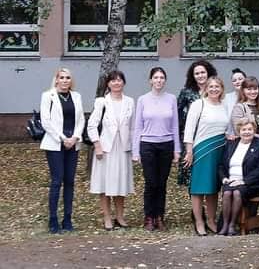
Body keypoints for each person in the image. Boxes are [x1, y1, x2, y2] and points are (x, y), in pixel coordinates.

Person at [132, 67, 181, 231]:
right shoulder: (142, 100)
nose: (159, 80)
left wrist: (177, 149)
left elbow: (175, 125)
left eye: (161, 77)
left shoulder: (171, 99)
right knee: (151, 182)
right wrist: (135, 151)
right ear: (150, 81)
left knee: (162, 183)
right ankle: (149, 216)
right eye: (156, 77)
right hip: (148, 144)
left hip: (166, 144)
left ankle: (159, 216)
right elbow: (138, 126)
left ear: (164, 80)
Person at [88, 70, 135, 231]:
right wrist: (97, 145)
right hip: (106, 148)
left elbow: (133, 127)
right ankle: (107, 217)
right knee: (105, 184)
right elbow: (92, 125)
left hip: (123, 148)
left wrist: (134, 148)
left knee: (121, 183)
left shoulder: (130, 102)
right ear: (108, 83)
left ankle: (120, 216)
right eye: (113, 80)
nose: (116, 83)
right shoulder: (102, 102)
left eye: (119, 80)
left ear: (124, 83)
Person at [183, 76, 229, 236]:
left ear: (222, 89)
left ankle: (211, 220)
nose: (214, 89)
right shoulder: (199, 104)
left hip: (220, 149)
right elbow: (189, 129)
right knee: (198, 188)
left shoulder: (224, 105)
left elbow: (226, 127)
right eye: (211, 87)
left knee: (213, 188)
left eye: (217, 86)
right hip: (202, 149)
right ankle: (199, 222)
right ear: (206, 89)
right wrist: (189, 151)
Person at [40, 67, 85, 234]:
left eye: (68, 78)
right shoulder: (48, 96)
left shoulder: (76, 96)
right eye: (62, 77)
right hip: (55, 143)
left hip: (73, 143)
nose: (65, 80)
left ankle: (67, 219)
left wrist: (75, 137)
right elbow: (46, 121)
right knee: (57, 181)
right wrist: (62, 138)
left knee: (70, 181)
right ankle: (53, 220)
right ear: (56, 80)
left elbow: (81, 120)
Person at [217, 118, 259, 235]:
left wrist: (244, 181)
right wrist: (224, 178)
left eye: (250, 129)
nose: (247, 132)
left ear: (254, 130)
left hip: (252, 183)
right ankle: (225, 225)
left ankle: (232, 225)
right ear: (239, 131)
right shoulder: (231, 144)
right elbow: (221, 165)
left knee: (236, 192)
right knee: (227, 193)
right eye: (244, 129)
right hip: (231, 181)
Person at [177, 60, 216, 187]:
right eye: (197, 73)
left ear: (208, 73)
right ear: (192, 76)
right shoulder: (187, 92)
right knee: (191, 172)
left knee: (209, 172)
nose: (200, 75)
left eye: (203, 72)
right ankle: (194, 200)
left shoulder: (215, 90)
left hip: (210, 136)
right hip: (190, 138)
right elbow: (178, 114)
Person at [229, 77, 259, 142]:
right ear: (243, 90)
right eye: (249, 89)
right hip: (249, 143)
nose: (253, 92)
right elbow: (238, 130)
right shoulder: (239, 107)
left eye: (255, 89)